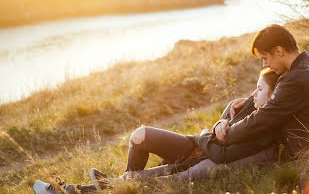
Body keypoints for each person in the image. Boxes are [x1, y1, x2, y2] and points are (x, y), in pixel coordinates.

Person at [33, 68, 281, 194]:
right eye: (255, 87)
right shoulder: (249, 108)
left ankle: (80, 189)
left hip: (198, 157)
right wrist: (223, 118)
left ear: (273, 97)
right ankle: (112, 185)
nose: (253, 93)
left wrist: (206, 134)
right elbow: (218, 131)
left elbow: (218, 151)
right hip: (193, 149)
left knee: (137, 180)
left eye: (259, 89)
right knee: (140, 135)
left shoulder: (264, 126)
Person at [214, 24, 309, 161]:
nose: (264, 65)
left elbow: (262, 119)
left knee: (221, 163)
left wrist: (227, 135)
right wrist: (249, 102)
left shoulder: (296, 78)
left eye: (265, 58)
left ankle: (210, 144)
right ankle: (211, 140)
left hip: (303, 151)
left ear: (279, 51)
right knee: (236, 105)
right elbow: (281, 100)